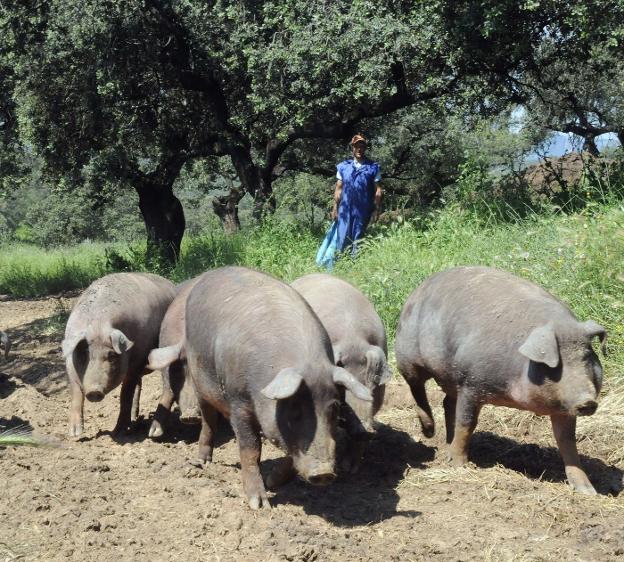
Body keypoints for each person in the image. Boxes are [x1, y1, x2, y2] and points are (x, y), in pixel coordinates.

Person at [331, 134, 382, 256]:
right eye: (356, 146)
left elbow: (378, 191)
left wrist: (376, 210)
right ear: (352, 148)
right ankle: (341, 263)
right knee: (342, 237)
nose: (359, 149)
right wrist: (335, 208)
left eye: (362, 146)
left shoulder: (373, 167)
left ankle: (355, 265)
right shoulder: (343, 167)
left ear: (365, 148)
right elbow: (338, 189)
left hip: (363, 210)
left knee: (358, 238)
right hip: (345, 209)